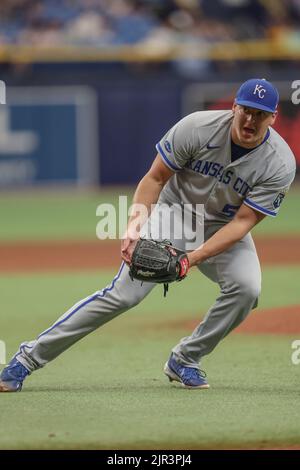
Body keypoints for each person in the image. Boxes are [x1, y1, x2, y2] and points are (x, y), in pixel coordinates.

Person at [0, 78, 296, 392]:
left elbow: (243, 222)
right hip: (174, 213)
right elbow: (155, 177)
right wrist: (133, 227)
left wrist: (191, 260)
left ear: (273, 117)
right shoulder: (197, 127)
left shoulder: (279, 162)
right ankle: (27, 359)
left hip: (223, 225)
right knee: (125, 294)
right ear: (234, 107)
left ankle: (186, 358)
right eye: (246, 110)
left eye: (260, 114)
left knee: (247, 289)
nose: (251, 119)